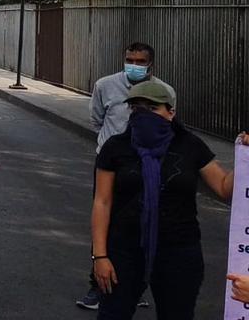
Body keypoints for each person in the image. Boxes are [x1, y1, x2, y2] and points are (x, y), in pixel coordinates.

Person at [92, 79, 241, 320]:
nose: (143, 115)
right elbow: (102, 202)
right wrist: (100, 255)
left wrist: (244, 158)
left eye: (152, 109)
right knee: (113, 314)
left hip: (179, 250)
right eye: (137, 108)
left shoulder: (189, 145)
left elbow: (224, 188)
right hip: (125, 250)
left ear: (170, 113)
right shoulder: (116, 147)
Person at [78, 42, 172, 311]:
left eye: (140, 61)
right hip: (111, 165)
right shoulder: (105, 85)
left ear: (150, 64)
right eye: (129, 59)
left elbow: (168, 125)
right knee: (104, 221)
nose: (134, 65)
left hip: (148, 167)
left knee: (144, 222)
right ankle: (97, 285)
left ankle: (135, 283)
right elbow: (96, 119)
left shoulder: (165, 91)